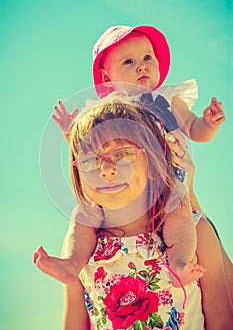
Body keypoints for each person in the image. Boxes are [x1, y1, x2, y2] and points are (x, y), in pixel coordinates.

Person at [34, 25, 232, 300]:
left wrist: (208, 123)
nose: (142, 66)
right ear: (106, 77)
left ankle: (178, 264)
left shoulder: (167, 98)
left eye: (148, 58)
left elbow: (194, 129)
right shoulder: (107, 110)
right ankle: (72, 263)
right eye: (129, 61)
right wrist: (71, 132)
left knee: (180, 216)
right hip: (127, 197)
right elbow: (95, 153)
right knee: (84, 215)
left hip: (167, 184)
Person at [61, 96, 232, 329]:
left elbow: (221, 314)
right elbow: (74, 324)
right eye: (90, 159)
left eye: (122, 154)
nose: (106, 170)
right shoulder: (81, 248)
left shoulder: (196, 231)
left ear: (153, 163)